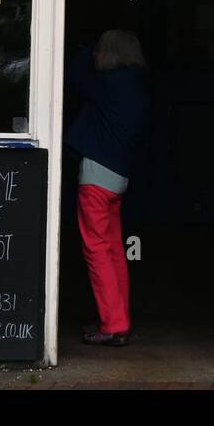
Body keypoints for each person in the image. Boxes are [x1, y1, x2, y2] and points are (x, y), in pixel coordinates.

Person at [65, 29, 149, 346]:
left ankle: (112, 325)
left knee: (96, 249)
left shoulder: (108, 83)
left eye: (101, 49)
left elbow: (74, 75)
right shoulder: (136, 84)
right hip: (119, 176)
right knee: (114, 250)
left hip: (97, 176)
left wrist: (84, 48)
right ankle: (118, 318)